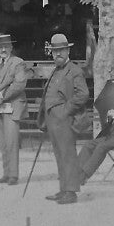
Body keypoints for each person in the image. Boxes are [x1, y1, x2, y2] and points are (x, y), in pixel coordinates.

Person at [40, 32, 89, 205]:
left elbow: (83, 94)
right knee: (59, 155)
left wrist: (65, 110)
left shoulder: (75, 70)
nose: (58, 54)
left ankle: (71, 192)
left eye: (61, 50)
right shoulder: (55, 70)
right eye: (54, 51)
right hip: (53, 121)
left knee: (68, 155)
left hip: (65, 120)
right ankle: (63, 189)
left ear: (68, 51)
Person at [0, 32, 30, 186]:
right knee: (2, 143)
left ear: (11, 47)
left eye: (6, 46)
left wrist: (2, 97)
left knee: (11, 142)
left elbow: (19, 84)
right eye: (0, 47)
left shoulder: (18, 63)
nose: (3, 49)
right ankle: (6, 174)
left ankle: (13, 176)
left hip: (12, 106)